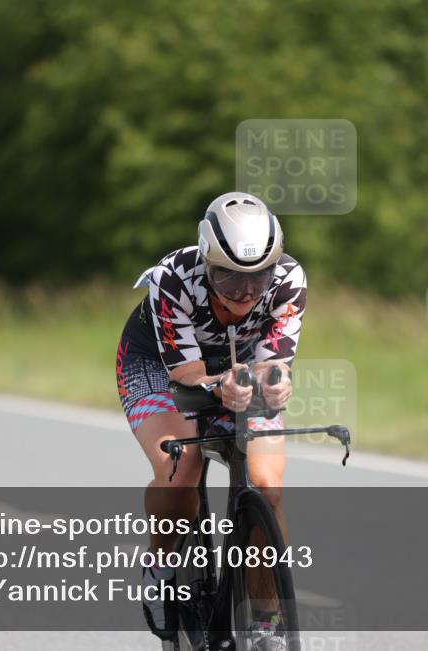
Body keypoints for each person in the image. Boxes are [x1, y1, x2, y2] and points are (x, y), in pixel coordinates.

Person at [115, 192, 306, 646]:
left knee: (266, 484)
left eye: (258, 278)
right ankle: (161, 570)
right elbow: (187, 375)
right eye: (228, 277)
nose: (245, 291)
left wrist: (275, 380)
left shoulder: (290, 279)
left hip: (237, 366)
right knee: (180, 470)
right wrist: (222, 387)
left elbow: (272, 362)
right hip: (160, 367)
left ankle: (265, 624)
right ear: (205, 261)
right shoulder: (172, 278)